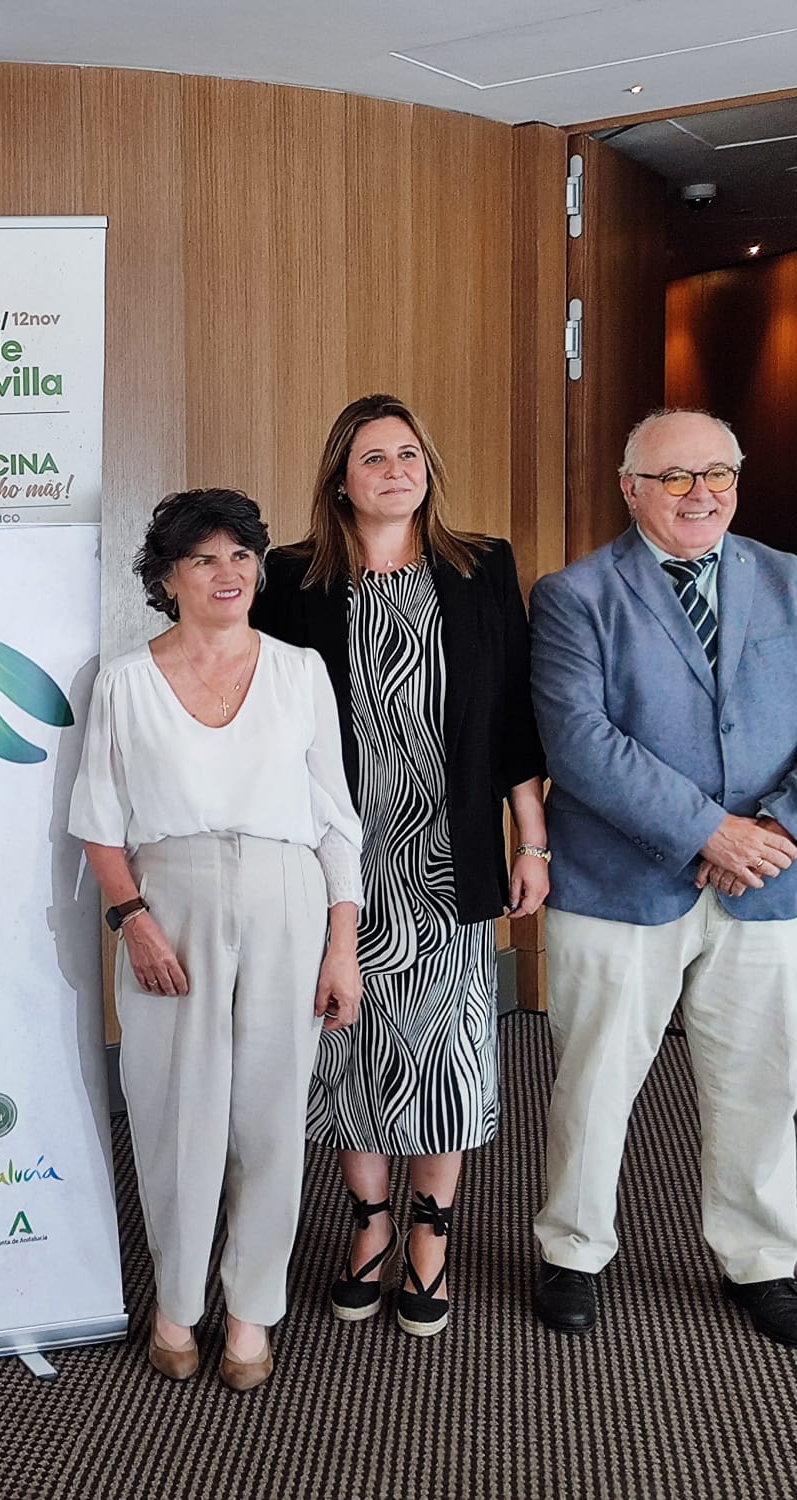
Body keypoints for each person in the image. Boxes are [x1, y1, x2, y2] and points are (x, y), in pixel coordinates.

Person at [253, 393, 548, 1336]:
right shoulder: (292, 579)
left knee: (446, 1057)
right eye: (373, 456)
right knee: (349, 1051)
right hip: (337, 861)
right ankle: (369, 1225)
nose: (395, 470)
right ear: (340, 478)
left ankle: (432, 1235)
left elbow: (512, 718)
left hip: (448, 856)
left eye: (410, 453)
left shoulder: (481, 566)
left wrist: (530, 838)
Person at [70, 487, 363, 1392]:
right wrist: (133, 919)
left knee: (272, 1119)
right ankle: (176, 1302)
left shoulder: (300, 669)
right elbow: (99, 824)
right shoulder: (121, 679)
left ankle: (251, 1312)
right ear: (167, 578)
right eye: (204, 559)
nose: (228, 573)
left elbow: (335, 819)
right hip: (171, 901)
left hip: (287, 895)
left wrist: (341, 942)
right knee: (174, 1117)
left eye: (242, 555)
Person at [530, 407, 797, 1344]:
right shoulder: (575, 594)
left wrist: (770, 830)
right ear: (630, 486)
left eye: (717, 472)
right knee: (596, 1079)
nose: (701, 494)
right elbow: (581, 742)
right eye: (676, 476)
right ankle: (573, 1248)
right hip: (620, 882)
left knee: (762, 1081)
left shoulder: (791, 582)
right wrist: (706, 834)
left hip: (770, 879)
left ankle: (761, 1257)